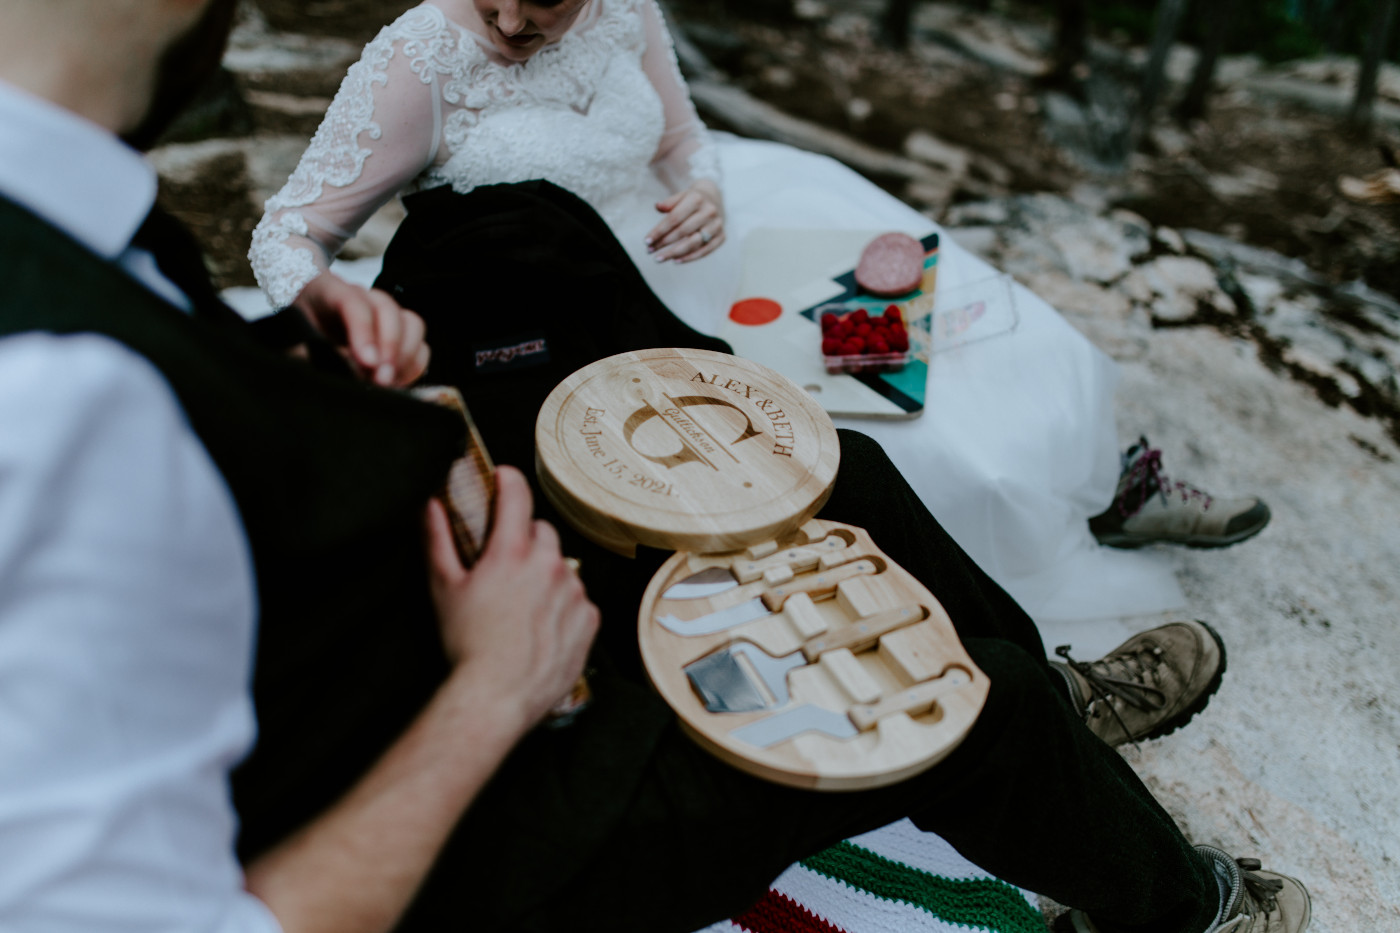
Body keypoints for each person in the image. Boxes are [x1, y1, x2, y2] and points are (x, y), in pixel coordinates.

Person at [0, 3, 1310, 933]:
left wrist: (302, 345)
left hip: (520, 478)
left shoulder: (73, 224)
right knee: (960, 692)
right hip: (487, 794)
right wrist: (494, 689)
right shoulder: (57, 396)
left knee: (843, 452)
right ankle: (1183, 898)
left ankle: (1048, 695)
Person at [246, 0, 1270, 626]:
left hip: (690, 239)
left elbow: (682, 136)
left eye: (545, 4)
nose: (511, 22)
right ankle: (1035, 528)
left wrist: (701, 189)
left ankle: (1110, 475)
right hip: (573, 300)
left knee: (925, 298)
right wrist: (333, 307)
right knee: (870, 433)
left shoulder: (625, 11)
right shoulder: (418, 60)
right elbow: (288, 232)